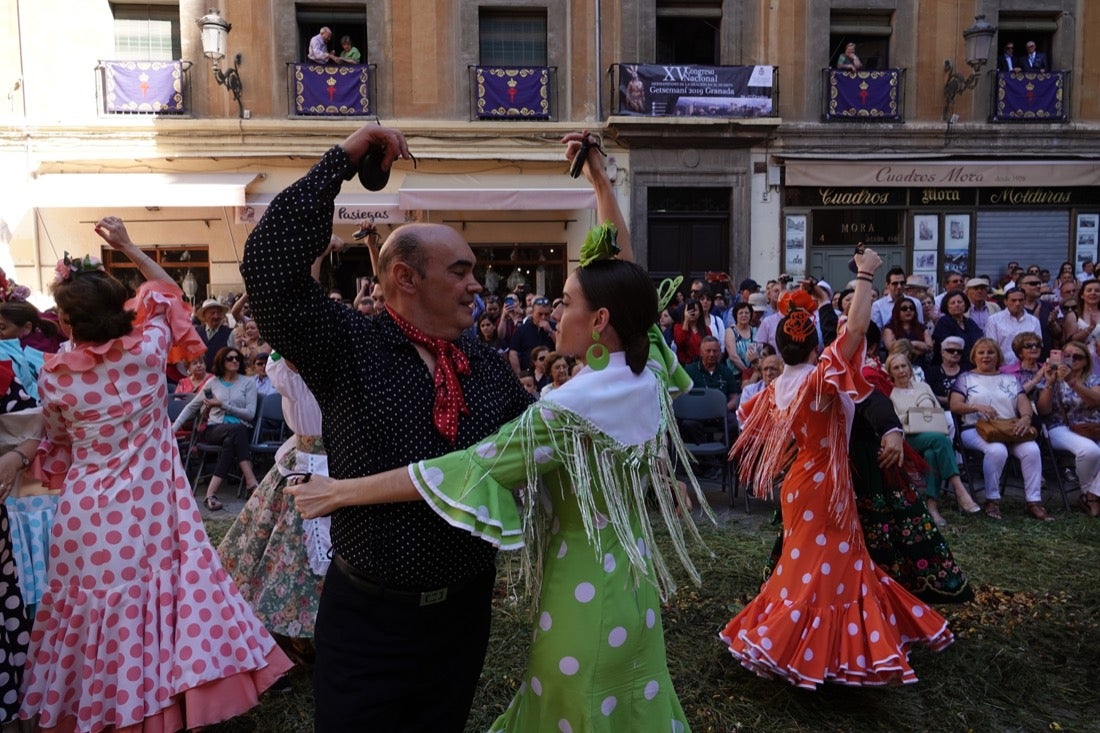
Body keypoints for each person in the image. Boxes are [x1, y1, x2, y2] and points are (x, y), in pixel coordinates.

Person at [287, 132, 710, 731]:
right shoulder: (646, 368)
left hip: (582, 596)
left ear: (601, 321)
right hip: (632, 585)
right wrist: (599, 184)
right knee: (624, 705)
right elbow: (628, 278)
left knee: (571, 711)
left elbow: (468, 468)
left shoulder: (568, 412)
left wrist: (341, 491)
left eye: (564, 302)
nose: (555, 312)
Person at [240, 124, 533, 731]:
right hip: (368, 617)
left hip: (463, 614)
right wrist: (344, 158)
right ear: (405, 277)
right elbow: (269, 268)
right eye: (460, 271)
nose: (477, 285)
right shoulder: (348, 343)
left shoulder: (481, 363)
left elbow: (529, 450)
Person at [21, 217, 291, 731]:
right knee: (155, 603)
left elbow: (56, 443)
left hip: (88, 513)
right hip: (149, 503)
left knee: (93, 608)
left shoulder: (55, 376)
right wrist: (126, 245)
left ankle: (101, 709)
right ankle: (164, 706)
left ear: (67, 323)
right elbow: (166, 291)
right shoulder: (146, 355)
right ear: (121, 310)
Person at [721, 248, 954, 688]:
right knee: (830, 570)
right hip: (826, 483)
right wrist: (865, 274)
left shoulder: (773, 389)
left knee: (811, 568)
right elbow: (859, 327)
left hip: (798, 485)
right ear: (814, 343)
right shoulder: (818, 377)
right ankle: (809, 651)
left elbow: (755, 427)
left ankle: (817, 648)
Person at [218, 353, 327, 663]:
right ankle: (291, 635)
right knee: (290, 553)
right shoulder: (289, 368)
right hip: (307, 463)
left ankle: (319, 633)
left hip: (337, 464)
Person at [950, 337, 1049, 521]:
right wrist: (976, 407)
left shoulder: (1010, 378)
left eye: (990, 352)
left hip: (1008, 428)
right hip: (976, 429)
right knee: (997, 451)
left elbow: (1023, 402)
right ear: (974, 356)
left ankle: (1034, 502)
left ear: (998, 356)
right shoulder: (966, 378)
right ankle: (992, 500)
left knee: (1032, 450)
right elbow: (955, 405)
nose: (986, 356)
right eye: (981, 352)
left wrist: (1026, 418)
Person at [885, 353, 980, 524]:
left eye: (904, 366)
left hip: (931, 434)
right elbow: (894, 421)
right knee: (941, 441)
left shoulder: (923, 387)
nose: (901, 371)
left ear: (909, 367)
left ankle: (932, 505)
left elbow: (938, 412)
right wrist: (914, 414)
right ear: (890, 372)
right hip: (909, 438)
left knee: (931, 454)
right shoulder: (890, 393)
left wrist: (914, 413)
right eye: (896, 368)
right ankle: (959, 489)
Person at [172, 346, 261, 511]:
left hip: (240, 430)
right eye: (230, 358)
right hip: (215, 429)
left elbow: (250, 414)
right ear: (222, 362)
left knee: (232, 439)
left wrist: (223, 405)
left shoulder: (248, 383)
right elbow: (191, 408)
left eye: (237, 358)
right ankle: (252, 484)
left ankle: (210, 494)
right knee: (236, 431)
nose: (234, 361)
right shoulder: (212, 383)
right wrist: (173, 429)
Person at [1036, 340, 1100, 517]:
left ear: (1086, 361)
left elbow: (1095, 400)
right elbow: (1043, 410)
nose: (1072, 360)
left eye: (1077, 356)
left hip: (1092, 426)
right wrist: (1049, 383)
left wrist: (1072, 381)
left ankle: (1092, 494)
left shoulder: (1094, 379)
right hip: (1060, 427)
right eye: (1067, 356)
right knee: (1091, 451)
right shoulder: (1052, 378)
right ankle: (1089, 492)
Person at [985, 288, 1041, 366]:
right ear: (1005, 302)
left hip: (1027, 366)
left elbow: (1038, 345)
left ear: (1025, 301)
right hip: (1003, 367)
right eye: (1013, 300)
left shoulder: (1034, 321)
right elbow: (991, 346)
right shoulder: (994, 320)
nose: (1017, 303)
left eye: (1020, 300)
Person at [932, 291, 984, 369]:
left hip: (972, 364)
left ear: (965, 304)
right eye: (953, 303)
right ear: (947, 306)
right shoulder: (944, 322)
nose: (957, 305)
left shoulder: (970, 322)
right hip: (950, 366)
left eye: (959, 302)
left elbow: (980, 341)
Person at [882, 297, 933, 365]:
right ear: (897, 311)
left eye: (911, 308)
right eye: (904, 308)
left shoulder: (922, 327)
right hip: (897, 365)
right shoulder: (889, 328)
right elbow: (892, 348)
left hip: (920, 365)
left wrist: (910, 344)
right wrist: (918, 346)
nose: (908, 310)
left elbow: (929, 347)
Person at [195, 297, 235, 370]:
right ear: (204, 315)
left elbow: (233, 357)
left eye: (218, 313)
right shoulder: (196, 332)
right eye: (212, 313)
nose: (216, 316)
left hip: (222, 376)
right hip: (201, 376)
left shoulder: (229, 333)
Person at [673, 298, 708, 365]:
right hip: (685, 364)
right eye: (689, 310)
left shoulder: (706, 329)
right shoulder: (678, 327)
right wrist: (686, 320)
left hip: (701, 363)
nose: (692, 312)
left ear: (700, 312)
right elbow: (680, 342)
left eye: (695, 310)